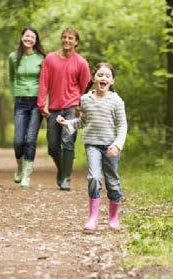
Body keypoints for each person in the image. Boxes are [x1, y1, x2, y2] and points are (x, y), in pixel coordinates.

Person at [56, 62, 127, 232]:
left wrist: (117, 145)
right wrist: (67, 123)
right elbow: (83, 121)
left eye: (107, 76)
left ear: (112, 81)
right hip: (92, 145)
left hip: (111, 147)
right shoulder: (85, 99)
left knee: (113, 182)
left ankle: (113, 217)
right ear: (94, 78)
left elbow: (122, 126)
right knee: (94, 178)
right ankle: (93, 218)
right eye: (100, 75)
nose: (103, 78)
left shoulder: (116, 101)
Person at [37, 27, 90, 191]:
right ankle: (62, 170)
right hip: (53, 108)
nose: (67, 40)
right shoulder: (50, 59)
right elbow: (44, 82)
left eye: (70, 38)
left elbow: (86, 88)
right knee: (53, 147)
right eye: (64, 37)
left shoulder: (81, 62)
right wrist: (41, 103)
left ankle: (66, 178)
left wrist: (82, 108)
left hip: (72, 108)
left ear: (76, 42)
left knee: (67, 142)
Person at [9, 27, 46, 189]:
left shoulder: (41, 58)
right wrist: (15, 94)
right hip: (20, 101)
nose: (29, 39)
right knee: (18, 141)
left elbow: (46, 82)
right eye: (26, 36)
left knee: (30, 139)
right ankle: (19, 166)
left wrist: (45, 101)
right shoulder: (13, 57)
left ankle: (26, 176)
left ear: (36, 40)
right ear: (22, 37)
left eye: (32, 36)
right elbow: (11, 79)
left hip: (37, 102)